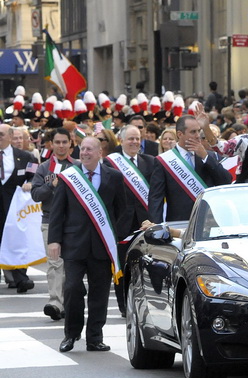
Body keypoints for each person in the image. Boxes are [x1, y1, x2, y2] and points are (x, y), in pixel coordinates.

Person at [48, 136, 130, 353]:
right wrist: (54, 240)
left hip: (102, 246)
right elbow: (57, 211)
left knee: (99, 293)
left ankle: (95, 337)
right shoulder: (69, 177)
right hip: (74, 244)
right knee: (72, 288)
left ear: (99, 152)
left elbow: (123, 211)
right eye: (82, 149)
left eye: (89, 149)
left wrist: (115, 236)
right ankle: (71, 334)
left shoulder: (114, 177)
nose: (84, 153)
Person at [105, 125, 155, 317]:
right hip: (121, 224)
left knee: (146, 267)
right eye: (130, 139)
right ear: (121, 141)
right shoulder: (109, 164)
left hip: (146, 223)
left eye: (137, 138)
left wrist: (153, 219)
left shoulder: (150, 162)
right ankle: (124, 306)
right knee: (122, 267)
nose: (134, 142)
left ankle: (146, 306)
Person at [148, 115, 232, 223]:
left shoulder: (209, 156)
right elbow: (156, 198)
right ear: (180, 134)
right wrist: (156, 227)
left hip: (208, 221)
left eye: (198, 131)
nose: (198, 136)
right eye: (193, 132)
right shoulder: (164, 160)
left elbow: (226, 181)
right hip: (179, 223)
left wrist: (205, 157)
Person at [31, 129, 78, 320]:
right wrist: (51, 185)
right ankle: (55, 303)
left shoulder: (77, 167)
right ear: (51, 144)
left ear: (70, 144)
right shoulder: (43, 168)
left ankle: (69, 301)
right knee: (54, 262)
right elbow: (35, 195)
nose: (60, 146)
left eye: (64, 142)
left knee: (70, 263)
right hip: (50, 220)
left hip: (73, 222)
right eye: (57, 142)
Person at [0, 124, 37, 293]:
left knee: (17, 241)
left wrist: (31, 183)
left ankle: (21, 278)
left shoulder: (26, 157)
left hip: (14, 208)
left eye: (1, 134)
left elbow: (36, 176)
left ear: (9, 136)